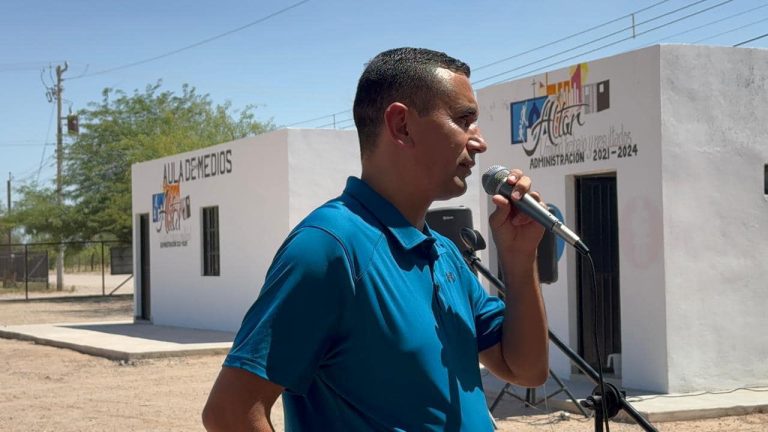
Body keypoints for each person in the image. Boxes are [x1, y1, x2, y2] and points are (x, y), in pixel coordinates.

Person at [202, 47, 549, 432]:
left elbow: (525, 368)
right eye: (463, 120)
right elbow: (230, 413)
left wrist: (519, 261)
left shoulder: (443, 254)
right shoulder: (329, 247)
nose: (479, 142)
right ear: (401, 125)